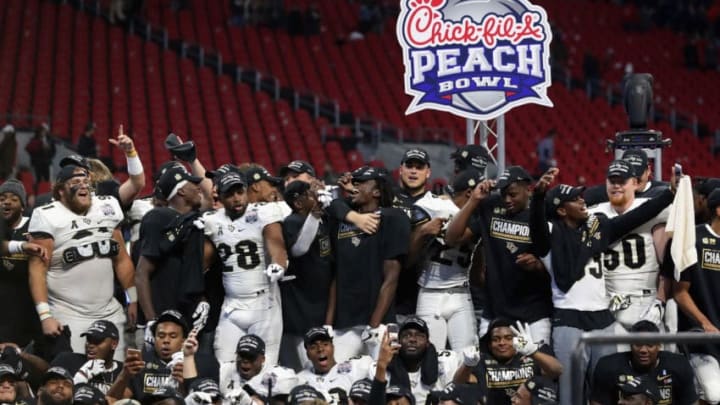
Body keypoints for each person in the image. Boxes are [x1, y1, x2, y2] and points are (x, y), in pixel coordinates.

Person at [528, 164, 677, 405]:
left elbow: (635, 217)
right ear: (562, 211)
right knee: (570, 394)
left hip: (603, 320)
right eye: (575, 200)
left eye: (581, 196)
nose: (582, 201)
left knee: (607, 390)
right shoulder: (550, 236)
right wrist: (538, 196)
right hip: (569, 320)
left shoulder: (597, 229)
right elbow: (535, 225)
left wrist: (669, 194)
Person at [27, 164, 136, 359]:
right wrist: (45, 316)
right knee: (75, 378)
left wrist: (133, 299)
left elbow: (122, 260)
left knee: (115, 374)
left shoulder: (106, 207)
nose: (83, 186)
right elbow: (37, 271)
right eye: (75, 182)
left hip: (109, 311)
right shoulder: (47, 216)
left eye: (86, 181)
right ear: (60, 190)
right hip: (68, 313)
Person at [446, 166, 553, 344]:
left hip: (533, 314)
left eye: (513, 194)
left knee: (537, 370)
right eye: (503, 194)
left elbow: (558, 265)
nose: (507, 199)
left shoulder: (542, 212)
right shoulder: (490, 207)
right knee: (487, 369)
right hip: (494, 312)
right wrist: (474, 200)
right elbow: (452, 238)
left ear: (528, 190)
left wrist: (538, 266)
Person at [202, 170, 288, 367]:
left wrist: (278, 264)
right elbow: (202, 264)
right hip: (231, 306)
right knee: (224, 367)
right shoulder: (212, 222)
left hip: (264, 303)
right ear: (220, 197)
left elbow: (276, 244)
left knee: (264, 369)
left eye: (240, 192)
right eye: (230, 194)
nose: (236, 198)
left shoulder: (263, 213)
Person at [328, 166, 410, 362]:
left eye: (361, 183)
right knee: (335, 380)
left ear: (377, 191)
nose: (354, 187)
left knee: (386, 383)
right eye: (353, 183)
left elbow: (391, 278)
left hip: (379, 324)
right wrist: (328, 324)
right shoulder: (342, 218)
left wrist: (374, 325)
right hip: (345, 322)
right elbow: (335, 274)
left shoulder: (394, 218)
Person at [588, 160, 670, 332]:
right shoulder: (592, 213)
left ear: (635, 183)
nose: (616, 186)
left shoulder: (656, 209)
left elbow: (670, 263)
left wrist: (660, 301)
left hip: (645, 300)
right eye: (612, 181)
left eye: (622, 182)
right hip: (605, 302)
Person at [409, 169, 482, 350]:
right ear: (469, 193)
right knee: (430, 358)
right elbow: (409, 258)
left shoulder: (479, 216)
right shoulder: (432, 205)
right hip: (430, 291)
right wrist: (424, 232)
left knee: (467, 357)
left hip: (461, 292)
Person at [135, 165, 207, 336]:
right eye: (193, 184)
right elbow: (141, 272)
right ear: (181, 191)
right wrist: (151, 320)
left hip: (189, 316)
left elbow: (192, 270)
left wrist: (202, 299)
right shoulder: (158, 217)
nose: (199, 188)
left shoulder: (195, 220)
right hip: (164, 318)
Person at [665, 188, 720, 404]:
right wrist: (706, 324)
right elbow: (680, 292)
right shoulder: (693, 239)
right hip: (702, 341)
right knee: (713, 394)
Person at [279, 181, 334, 370]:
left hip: (321, 294)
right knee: (305, 360)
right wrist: (315, 214)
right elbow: (299, 249)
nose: (316, 198)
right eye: (310, 195)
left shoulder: (322, 218)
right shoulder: (292, 221)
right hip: (302, 300)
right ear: (298, 203)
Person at [107, 310, 218, 402]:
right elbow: (113, 400)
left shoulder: (202, 363)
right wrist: (124, 375)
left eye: (173, 336)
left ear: (183, 341)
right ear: (154, 339)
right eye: (161, 336)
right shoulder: (141, 363)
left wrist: (184, 384)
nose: (166, 341)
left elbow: (212, 401)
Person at [454, 318, 562, 405]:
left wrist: (533, 352)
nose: (502, 342)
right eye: (495, 339)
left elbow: (557, 370)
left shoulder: (531, 355)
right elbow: (459, 382)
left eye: (508, 338)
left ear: (517, 340)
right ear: (489, 345)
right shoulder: (482, 360)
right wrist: (467, 364)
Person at [590, 321, 696, 405]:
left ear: (659, 345)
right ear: (630, 344)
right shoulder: (609, 367)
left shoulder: (678, 366)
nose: (643, 350)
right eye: (638, 344)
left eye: (650, 345)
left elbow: (691, 402)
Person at [0, 180, 43, 348]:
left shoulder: (35, 227)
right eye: (2, 198)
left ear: (23, 206)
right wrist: (22, 246)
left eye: (13, 198)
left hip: (27, 311)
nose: (6, 202)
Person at [378, 316, 460, 405]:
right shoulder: (381, 367)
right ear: (398, 341)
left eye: (419, 336)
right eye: (406, 335)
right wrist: (381, 365)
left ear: (427, 343)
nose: (412, 339)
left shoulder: (444, 363)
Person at [50, 320, 124, 394]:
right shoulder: (67, 360)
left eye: (97, 341)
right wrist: (81, 376)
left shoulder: (124, 371)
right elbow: (52, 395)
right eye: (88, 339)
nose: (90, 345)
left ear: (114, 344)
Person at [297, 326, 373, 398]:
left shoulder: (354, 368)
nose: (320, 349)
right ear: (308, 355)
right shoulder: (300, 380)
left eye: (325, 344)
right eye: (313, 347)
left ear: (333, 347)